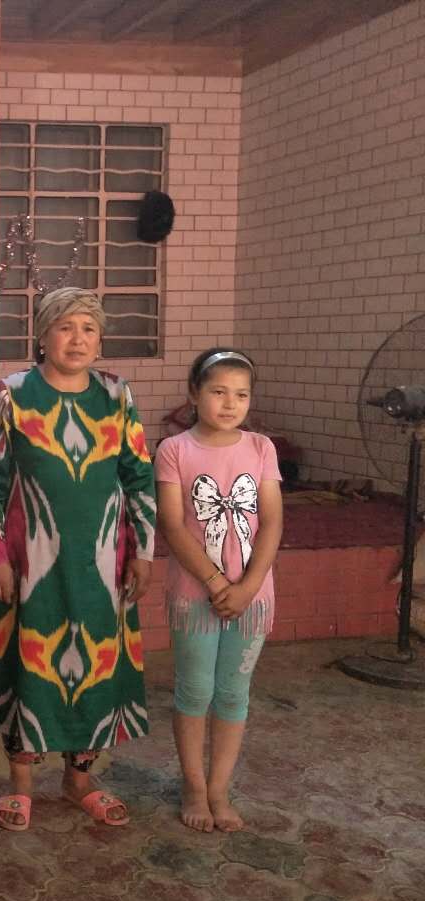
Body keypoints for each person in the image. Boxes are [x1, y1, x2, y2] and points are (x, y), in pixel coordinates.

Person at [0, 287, 156, 831]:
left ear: (100, 340)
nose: (77, 339)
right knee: (27, 666)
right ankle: (20, 784)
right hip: (30, 567)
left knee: (95, 667)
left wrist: (142, 551)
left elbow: (139, 476)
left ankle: (79, 781)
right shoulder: (12, 394)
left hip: (102, 565)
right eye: (65, 327)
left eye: (88, 329)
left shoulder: (116, 396)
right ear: (43, 335)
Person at [156, 347, 282, 833]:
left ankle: (219, 789)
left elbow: (272, 522)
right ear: (194, 394)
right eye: (219, 392)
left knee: (233, 693)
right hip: (195, 595)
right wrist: (214, 582)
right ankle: (193, 784)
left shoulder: (261, 448)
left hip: (253, 597)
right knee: (195, 689)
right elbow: (172, 524)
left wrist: (248, 586)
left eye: (241, 395)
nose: (230, 404)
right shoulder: (174, 450)